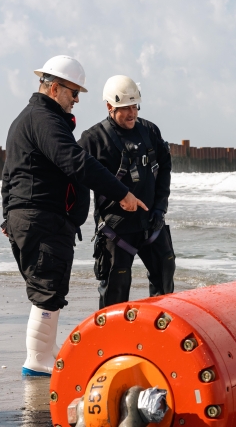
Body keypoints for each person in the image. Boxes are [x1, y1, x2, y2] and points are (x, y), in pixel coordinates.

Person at [1, 55, 148, 377]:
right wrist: (122, 193)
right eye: (73, 92)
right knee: (48, 287)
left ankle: (44, 350)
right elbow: (75, 162)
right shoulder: (44, 119)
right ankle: (39, 360)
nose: (77, 99)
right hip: (41, 217)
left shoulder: (31, 118)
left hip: (33, 217)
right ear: (54, 89)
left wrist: (7, 217)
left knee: (48, 285)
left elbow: (8, 173)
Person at [78, 75, 175, 309]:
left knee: (165, 281)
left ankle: (159, 338)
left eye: (135, 106)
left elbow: (164, 168)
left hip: (151, 223)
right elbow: (76, 178)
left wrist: (160, 208)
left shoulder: (150, 131)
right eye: (125, 108)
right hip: (116, 230)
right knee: (115, 292)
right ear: (110, 106)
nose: (132, 113)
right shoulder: (92, 140)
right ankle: (111, 341)